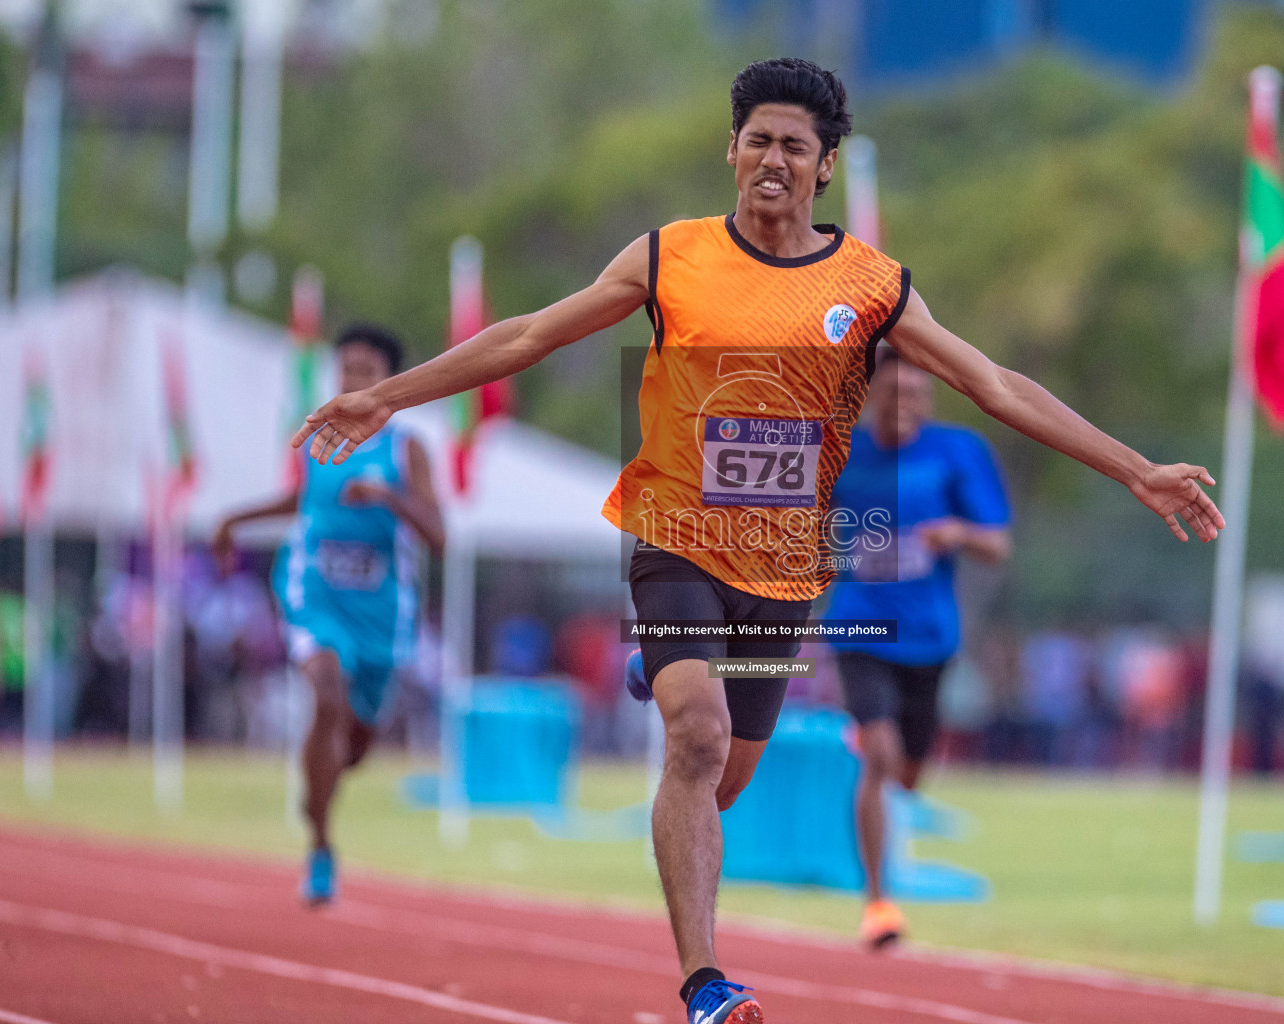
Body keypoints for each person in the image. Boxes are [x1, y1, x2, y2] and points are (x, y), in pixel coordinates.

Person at [293, 58, 1223, 1024]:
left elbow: (996, 385)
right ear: (731, 150)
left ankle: (663, 678)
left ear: (825, 167)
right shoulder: (668, 257)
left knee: (723, 777)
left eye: (795, 146)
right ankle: (704, 981)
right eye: (759, 141)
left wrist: (1134, 468)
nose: (773, 160)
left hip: (785, 573)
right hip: (675, 537)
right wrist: (387, 397)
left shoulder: (870, 285)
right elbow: (529, 335)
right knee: (694, 739)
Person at [214, 324, 444, 905]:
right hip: (313, 590)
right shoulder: (320, 436)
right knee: (324, 688)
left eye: (366, 370)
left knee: (356, 744)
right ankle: (320, 844)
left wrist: (388, 498)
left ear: (388, 380)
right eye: (344, 368)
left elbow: (440, 536)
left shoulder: (405, 448)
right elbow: (303, 501)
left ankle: (317, 790)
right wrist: (232, 520)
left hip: (382, 611)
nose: (352, 380)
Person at [820, 348, 1012, 948]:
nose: (907, 407)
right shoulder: (841, 451)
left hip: (930, 637)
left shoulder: (958, 452)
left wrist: (956, 533)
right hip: (857, 624)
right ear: (870, 396)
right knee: (879, 760)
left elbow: (997, 545)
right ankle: (878, 903)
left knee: (907, 774)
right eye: (895, 396)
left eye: (918, 398)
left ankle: (885, 749)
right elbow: (805, 530)